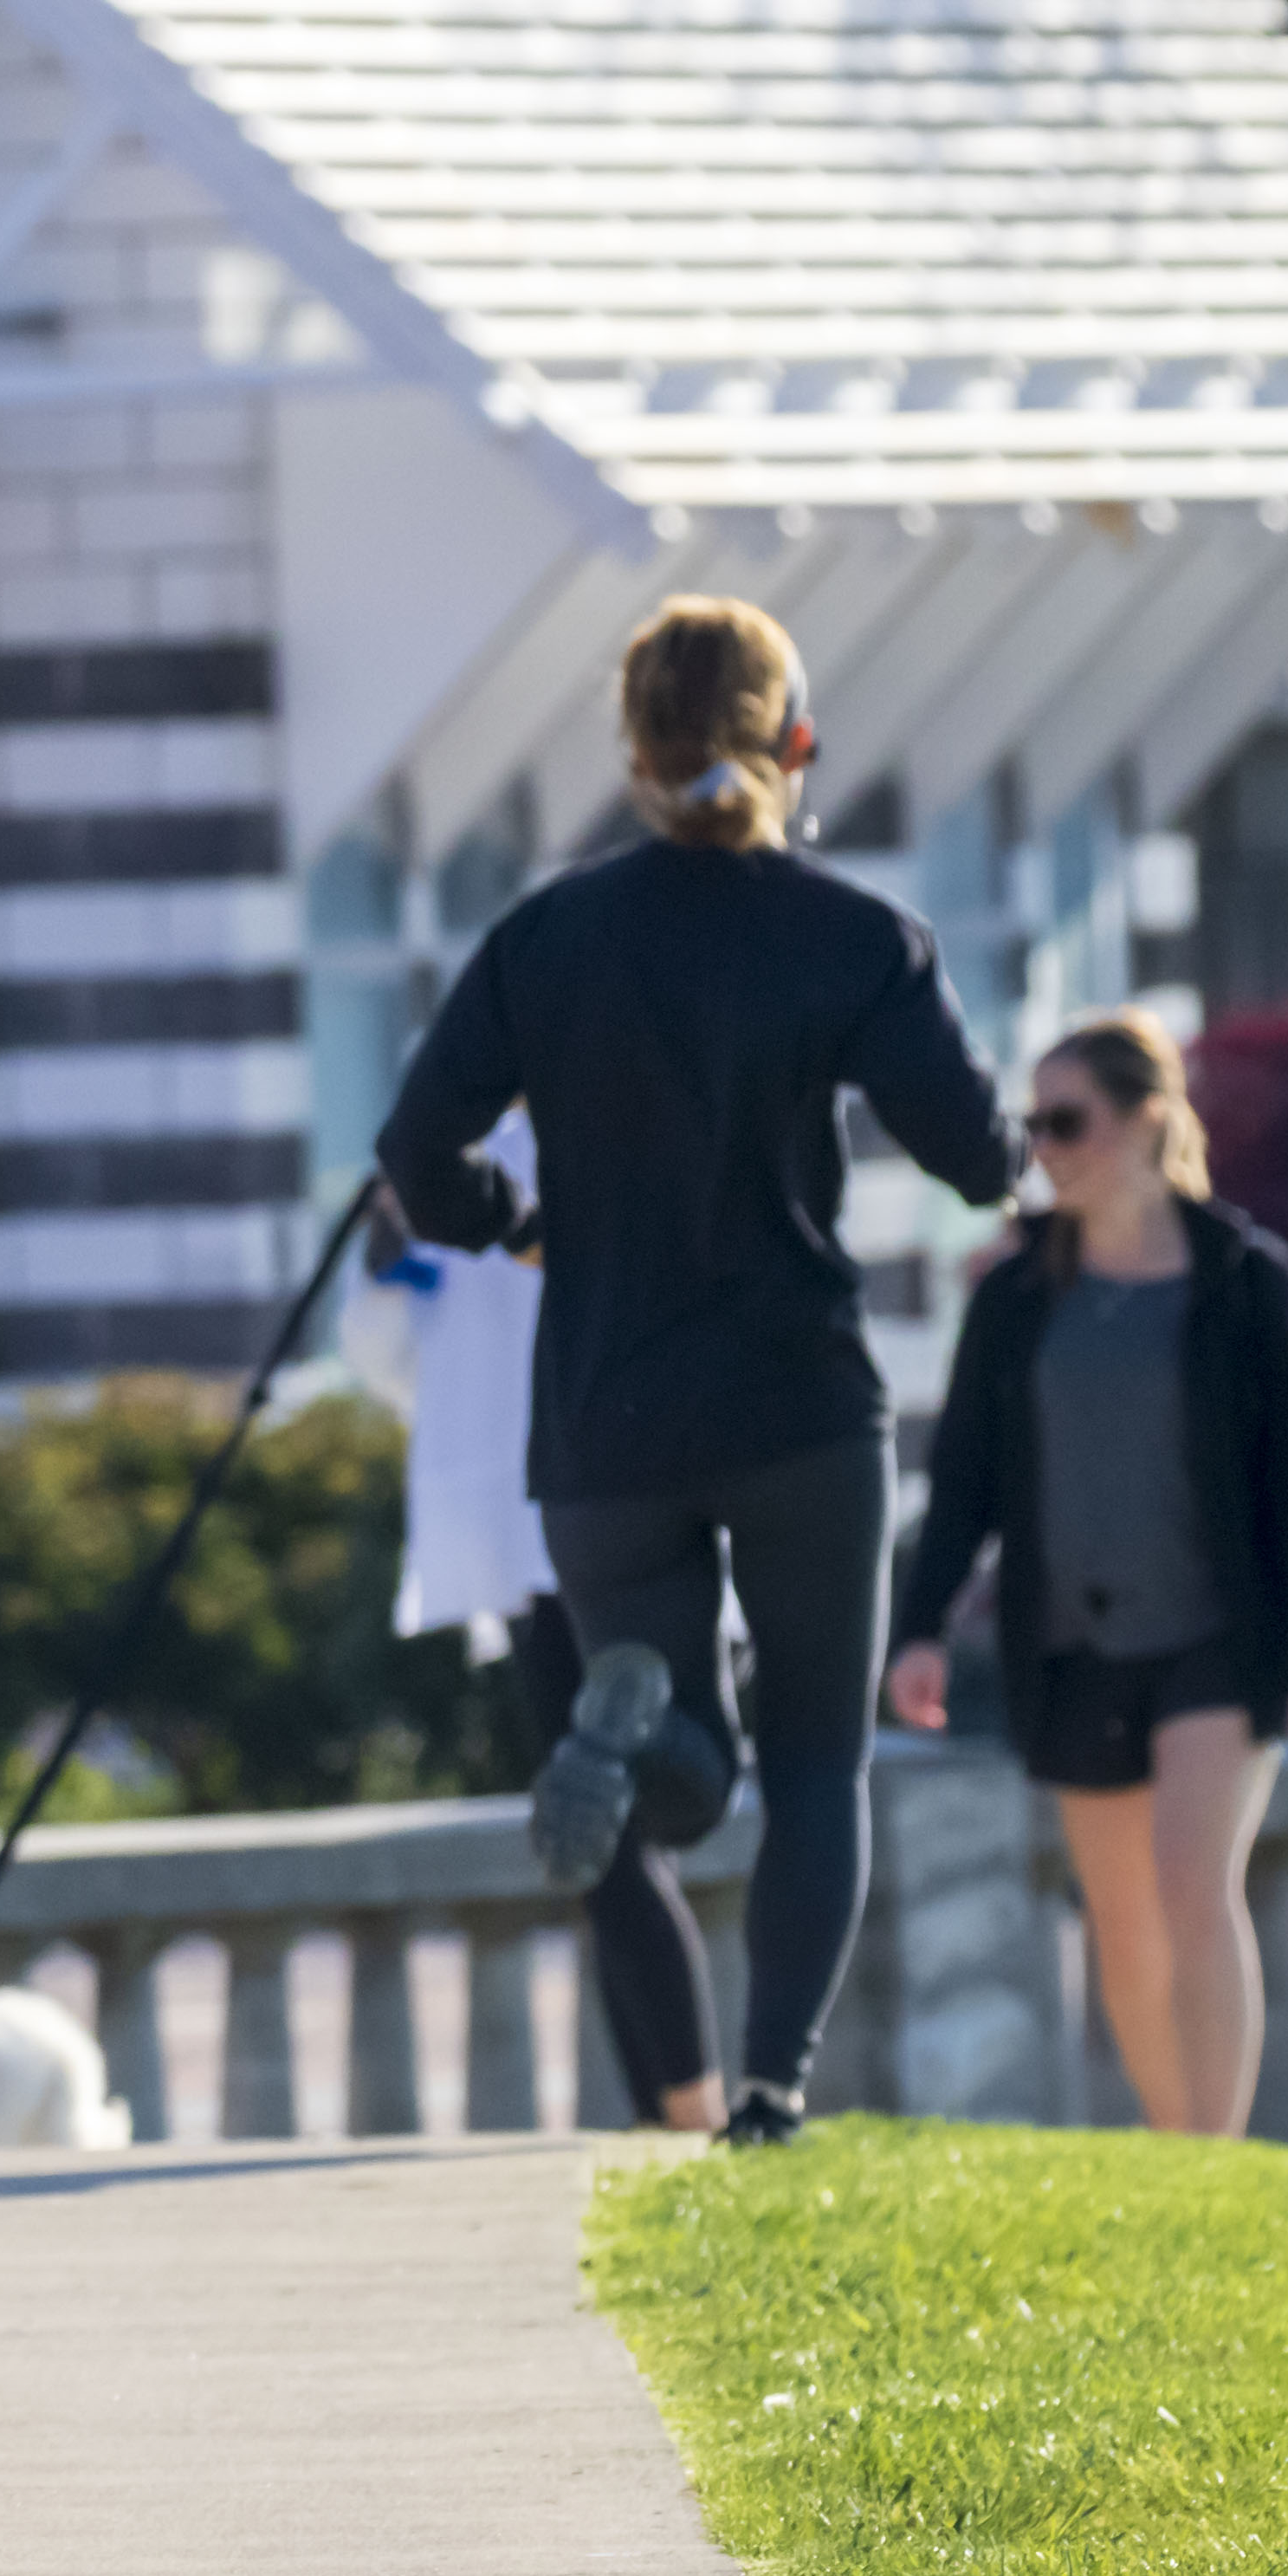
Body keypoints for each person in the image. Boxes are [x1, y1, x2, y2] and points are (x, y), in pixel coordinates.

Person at [375, 594, 1019, 2147]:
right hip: (800, 1402)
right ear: (796, 746)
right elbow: (983, 1162)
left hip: (604, 1414)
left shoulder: (547, 937)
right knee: (814, 1764)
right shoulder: (856, 939)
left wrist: (515, 1226)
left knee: (689, 1764)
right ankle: (774, 2086)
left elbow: (413, 1149)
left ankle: (642, 1728)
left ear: (632, 751)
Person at [885, 1009, 1288, 2136]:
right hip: (1075, 1644)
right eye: (1031, 1124)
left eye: (1066, 1120)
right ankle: (1172, 2150)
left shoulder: (1245, 1280)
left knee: (1197, 1890)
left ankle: (1219, 2164)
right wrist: (919, 1629)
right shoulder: (1013, 1300)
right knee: (1127, 1921)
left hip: (1219, 1636)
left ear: (1146, 1121)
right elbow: (963, 1482)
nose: (1042, 1146)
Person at [348, 1111, 725, 2131]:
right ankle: (669, 2112)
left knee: (613, 1833)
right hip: (528, 1536)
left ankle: (694, 2113)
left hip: (598, 1521)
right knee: (597, 1845)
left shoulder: (590, 1139)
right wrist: (384, 1258)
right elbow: (396, 1358)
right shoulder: (446, 1167)